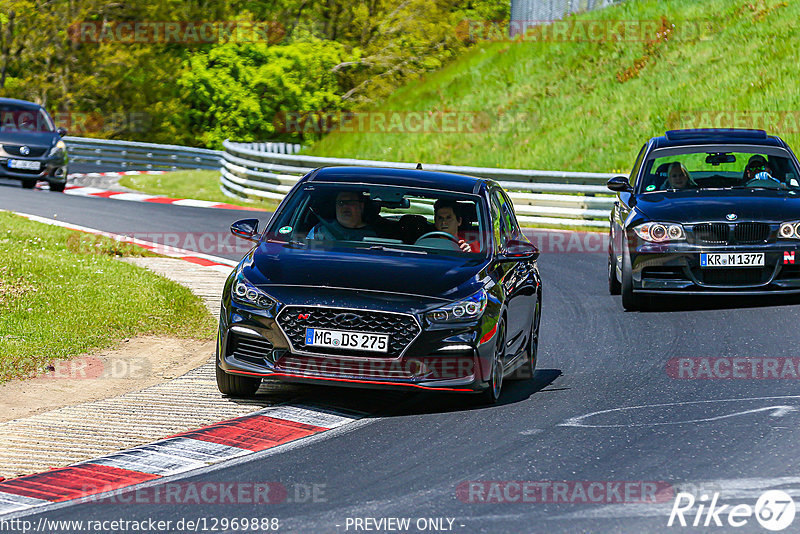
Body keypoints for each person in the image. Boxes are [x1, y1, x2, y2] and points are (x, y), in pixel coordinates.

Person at [307, 191, 377, 241]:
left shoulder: (377, 233)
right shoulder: (319, 230)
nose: (345, 206)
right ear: (335, 207)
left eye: (350, 202)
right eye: (341, 202)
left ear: (361, 206)